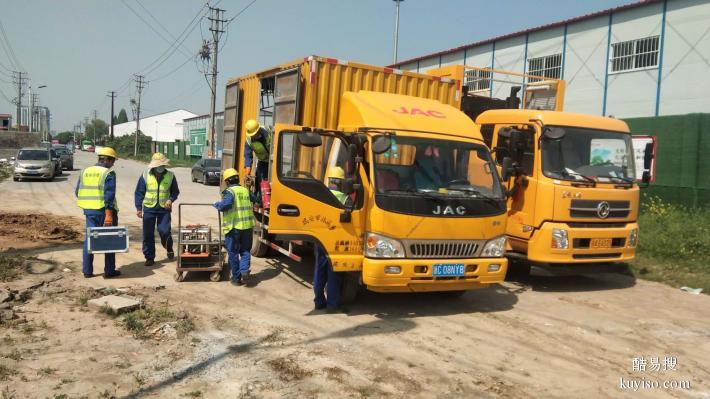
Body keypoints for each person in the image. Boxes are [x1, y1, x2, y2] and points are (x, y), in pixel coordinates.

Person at [75, 146, 120, 279]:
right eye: (113, 161)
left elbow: (78, 191)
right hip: (104, 211)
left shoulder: (85, 171)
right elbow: (109, 196)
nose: (113, 164)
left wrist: (89, 205)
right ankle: (109, 271)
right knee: (109, 239)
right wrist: (109, 214)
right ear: (107, 160)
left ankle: (87, 271)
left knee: (89, 240)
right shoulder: (108, 174)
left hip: (89, 211)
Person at [313, 167, 349, 313]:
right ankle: (332, 305)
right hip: (336, 241)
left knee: (319, 271)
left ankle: (319, 301)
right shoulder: (346, 199)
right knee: (334, 273)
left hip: (320, 239)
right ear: (341, 182)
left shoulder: (321, 196)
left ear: (329, 181)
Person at [134, 152, 180, 266]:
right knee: (148, 234)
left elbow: (175, 192)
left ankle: (168, 247)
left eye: (162, 165)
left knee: (164, 231)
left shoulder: (170, 175)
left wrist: (170, 199)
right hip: (149, 208)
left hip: (164, 209)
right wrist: (139, 208)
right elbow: (139, 192)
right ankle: (149, 257)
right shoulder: (145, 175)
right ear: (154, 166)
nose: (161, 167)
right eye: (159, 165)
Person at [213, 168, 255, 286]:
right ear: (237, 178)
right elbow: (256, 199)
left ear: (227, 181)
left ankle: (236, 279)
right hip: (247, 227)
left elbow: (225, 205)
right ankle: (244, 270)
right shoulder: (245, 190)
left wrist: (217, 205)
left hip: (233, 228)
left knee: (233, 252)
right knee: (245, 251)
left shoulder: (230, 192)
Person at [243, 119, 271, 203]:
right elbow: (248, 157)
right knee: (260, 179)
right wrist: (247, 174)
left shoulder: (267, 133)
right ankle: (261, 201)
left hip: (274, 160)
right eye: (253, 135)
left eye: (256, 133)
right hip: (263, 161)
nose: (255, 136)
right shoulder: (248, 140)